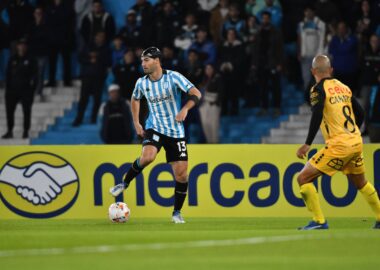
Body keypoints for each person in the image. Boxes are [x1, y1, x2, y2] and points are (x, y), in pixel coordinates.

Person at [110, 47, 202, 224]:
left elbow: (196, 93)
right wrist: (136, 122)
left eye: (147, 60)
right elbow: (135, 98)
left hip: (176, 132)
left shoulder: (173, 77)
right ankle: (124, 183)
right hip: (155, 127)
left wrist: (185, 109)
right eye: (142, 60)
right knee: (148, 157)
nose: (143, 63)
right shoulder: (141, 83)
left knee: (182, 175)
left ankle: (176, 213)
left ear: (157, 61)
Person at [296, 55, 380, 230]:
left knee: (303, 178)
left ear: (313, 72)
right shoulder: (344, 88)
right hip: (355, 142)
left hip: (339, 146)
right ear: (331, 70)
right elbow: (361, 112)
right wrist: (351, 133)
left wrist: (307, 143)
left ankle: (319, 221)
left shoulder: (317, 89)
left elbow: (317, 113)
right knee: (361, 183)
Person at [2, 39, 37, 139]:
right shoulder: (12, 59)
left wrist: (32, 89)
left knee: (26, 111)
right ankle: (10, 131)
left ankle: (26, 131)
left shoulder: (31, 60)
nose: (21, 47)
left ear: (26, 47)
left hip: (25, 90)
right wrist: (7, 89)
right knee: (9, 111)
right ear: (17, 46)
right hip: (12, 90)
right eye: (20, 45)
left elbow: (35, 76)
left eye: (23, 45)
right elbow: (8, 75)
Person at [199, 64, 223, 143]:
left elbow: (221, 92)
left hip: (213, 104)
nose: (208, 70)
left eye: (210, 68)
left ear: (213, 69)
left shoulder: (218, 78)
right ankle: (210, 143)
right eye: (206, 68)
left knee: (214, 125)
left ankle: (215, 144)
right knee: (205, 125)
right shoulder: (204, 79)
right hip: (204, 105)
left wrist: (216, 101)